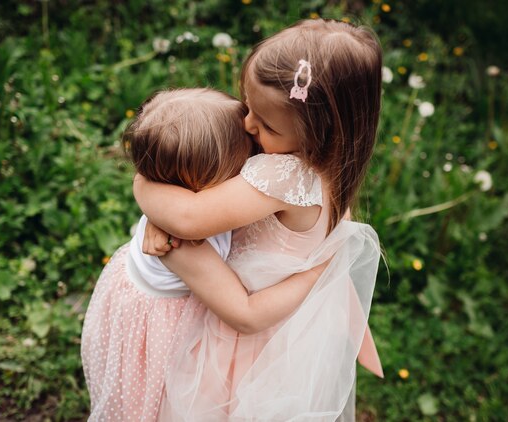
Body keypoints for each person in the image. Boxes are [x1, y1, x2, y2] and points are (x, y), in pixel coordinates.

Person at [133, 19, 384, 421]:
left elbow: (188, 217)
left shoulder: (284, 175)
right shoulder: (335, 165)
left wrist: (144, 186)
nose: (247, 126)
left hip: (246, 338)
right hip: (290, 333)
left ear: (321, 132)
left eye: (266, 125)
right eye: (248, 107)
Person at [80, 88, 327, 421]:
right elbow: (246, 313)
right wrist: (317, 272)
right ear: (206, 180)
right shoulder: (183, 244)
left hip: (137, 291)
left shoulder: (181, 202)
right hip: (156, 329)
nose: (256, 154)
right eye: (248, 156)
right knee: (152, 404)